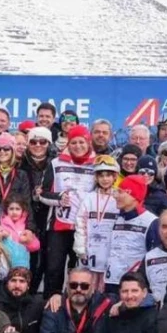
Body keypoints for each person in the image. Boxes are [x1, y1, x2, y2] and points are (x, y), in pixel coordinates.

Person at [42, 124, 96, 296]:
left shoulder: (97, 165)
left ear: (88, 143)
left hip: (84, 228)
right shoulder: (56, 163)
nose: (78, 146)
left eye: (81, 142)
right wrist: (58, 198)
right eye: (73, 142)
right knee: (53, 269)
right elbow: (41, 194)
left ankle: (77, 309)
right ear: (68, 144)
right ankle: (50, 306)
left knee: (78, 272)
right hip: (58, 226)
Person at [103, 175, 159, 296]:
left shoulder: (151, 221)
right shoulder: (116, 217)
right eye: (116, 191)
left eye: (120, 192)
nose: (116, 196)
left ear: (134, 196)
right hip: (111, 283)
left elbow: (154, 258)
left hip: (133, 288)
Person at [74, 155, 122, 286]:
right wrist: (80, 247)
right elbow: (80, 222)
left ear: (115, 177)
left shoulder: (119, 197)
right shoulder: (89, 197)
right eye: (101, 175)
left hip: (110, 250)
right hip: (90, 251)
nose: (105, 179)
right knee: (88, 285)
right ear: (96, 177)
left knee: (106, 287)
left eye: (108, 175)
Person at [20, 126, 56, 289]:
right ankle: (27, 294)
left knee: (50, 261)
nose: (38, 145)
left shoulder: (55, 164)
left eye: (43, 141)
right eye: (33, 141)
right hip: (27, 216)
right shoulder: (20, 163)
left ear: (49, 143)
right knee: (30, 260)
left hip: (50, 217)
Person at [0, 267, 44, 333]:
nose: (17, 285)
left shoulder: (37, 305)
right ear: (7, 284)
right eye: (13, 280)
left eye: (22, 281)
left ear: (28, 286)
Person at [0, 199, 40, 270]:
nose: (14, 212)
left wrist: (29, 241)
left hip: (22, 265)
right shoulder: (1, 224)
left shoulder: (27, 225)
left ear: (23, 210)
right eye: (11, 209)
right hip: (4, 265)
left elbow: (36, 247)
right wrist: (0, 236)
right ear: (6, 210)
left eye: (17, 209)